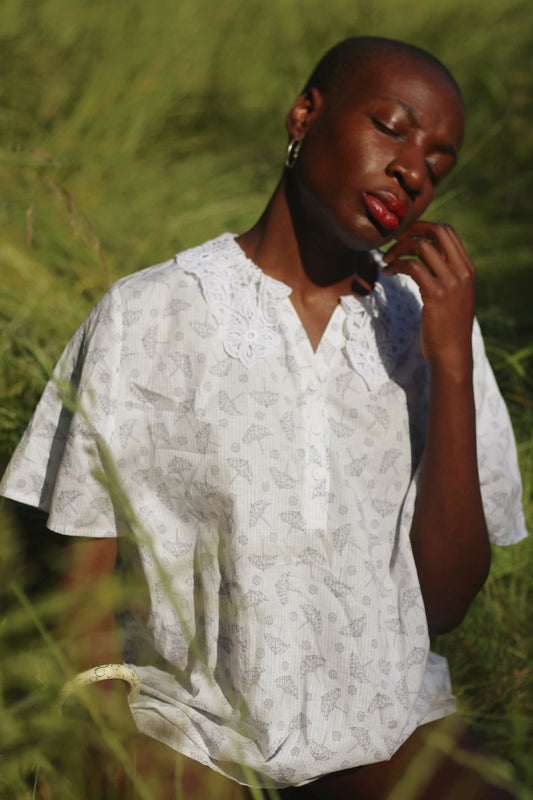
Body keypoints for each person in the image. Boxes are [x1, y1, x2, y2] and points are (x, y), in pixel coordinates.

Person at [1, 36, 527, 799]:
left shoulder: (429, 327)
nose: (413, 172)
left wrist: (447, 364)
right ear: (305, 113)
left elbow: (444, 603)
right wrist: (100, 727)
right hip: (188, 726)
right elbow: (78, 571)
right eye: (390, 127)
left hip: (383, 723)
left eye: (437, 165)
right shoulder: (150, 314)